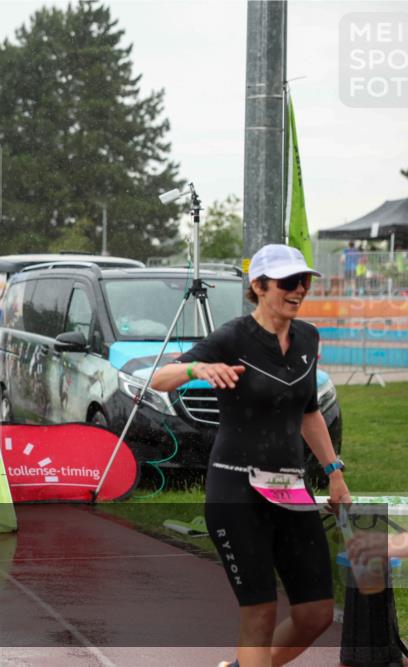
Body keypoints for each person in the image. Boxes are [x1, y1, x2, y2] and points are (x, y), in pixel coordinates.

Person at [151, 244, 352, 667]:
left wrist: (334, 471)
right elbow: (160, 378)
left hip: (289, 488)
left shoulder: (308, 337)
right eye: (287, 282)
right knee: (259, 613)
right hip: (236, 491)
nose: (299, 290)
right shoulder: (233, 337)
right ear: (259, 286)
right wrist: (196, 369)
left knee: (315, 612)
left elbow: (309, 411)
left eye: (304, 281)